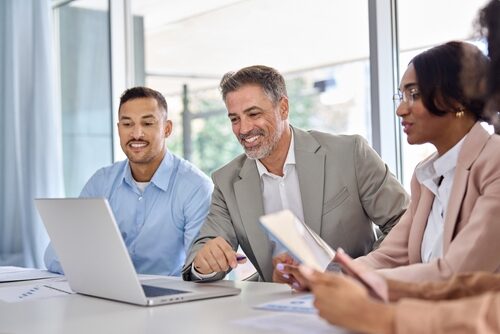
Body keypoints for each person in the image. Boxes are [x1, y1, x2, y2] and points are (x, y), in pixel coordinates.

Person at [296, 1, 500, 332]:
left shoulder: (494, 162)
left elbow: (456, 274)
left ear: (456, 99)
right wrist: (329, 277)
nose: (401, 110)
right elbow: (390, 256)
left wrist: (358, 288)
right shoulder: (427, 175)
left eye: (414, 94)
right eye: (400, 96)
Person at [181, 65, 409, 282]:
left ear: (283, 108)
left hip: (352, 295)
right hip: (275, 303)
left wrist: (355, 273)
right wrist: (204, 263)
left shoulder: (349, 153)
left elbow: (404, 223)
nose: (243, 129)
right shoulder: (227, 181)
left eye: (253, 114)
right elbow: (199, 257)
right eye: (234, 119)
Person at [44, 87, 213, 276]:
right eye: (127, 124)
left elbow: (198, 266)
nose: (136, 134)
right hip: (107, 293)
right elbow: (54, 255)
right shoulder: (101, 182)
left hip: (168, 300)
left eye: (147, 123)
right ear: (119, 130)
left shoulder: (195, 187)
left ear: (167, 129)